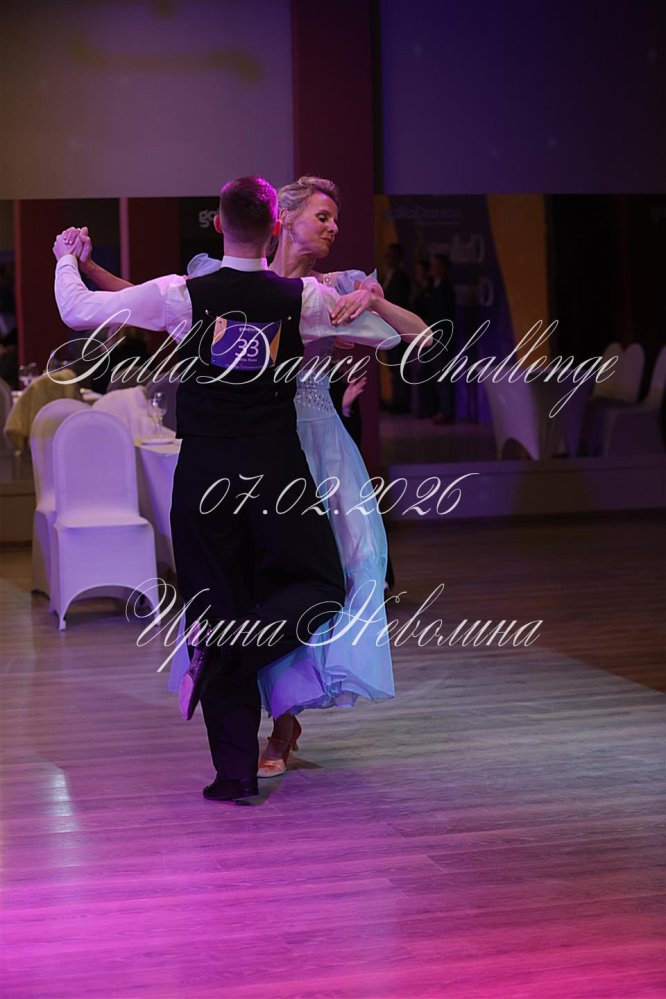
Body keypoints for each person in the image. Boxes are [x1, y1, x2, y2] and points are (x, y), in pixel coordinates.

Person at [52, 176, 420, 801]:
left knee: (217, 606)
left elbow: (81, 310)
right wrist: (372, 309)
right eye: (322, 216)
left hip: (206, 473)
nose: (332, 227)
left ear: (218, 224)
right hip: (276, 469)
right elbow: (401, 341)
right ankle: (230, 665)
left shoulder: (184, 294)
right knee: (321, 587)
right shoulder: (303, 299)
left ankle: (233, 770)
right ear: (276, 226)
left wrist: (68, 259)